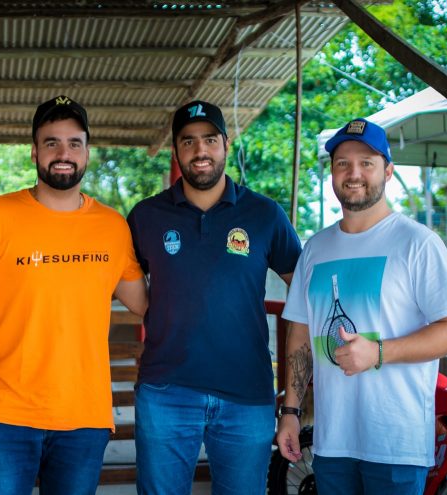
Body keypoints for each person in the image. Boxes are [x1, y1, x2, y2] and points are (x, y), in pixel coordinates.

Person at [0, 95, 147, 495]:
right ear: (34, 151)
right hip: (3, 417)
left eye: (74, 143)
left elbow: (145, 303)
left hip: (85, 420)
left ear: (87, 152)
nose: (63, 153)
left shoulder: (113, 227)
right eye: (51, 142)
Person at [276, 118, 447, 495]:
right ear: (331, 172)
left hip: (396, 444)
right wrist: (291, 413)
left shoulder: (417, 243)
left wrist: (378, 352)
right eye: (343, 163)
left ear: (389, 171)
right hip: (332, 442)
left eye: (367, 162)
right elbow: (300, 331)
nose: (354, 173)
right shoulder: (315, 248)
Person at [127, 100, 302, 495]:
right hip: (165, 392)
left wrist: (291, 404)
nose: (200, 150)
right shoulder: (146, 216)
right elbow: (121, 276)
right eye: (188, 141)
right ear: (176, 150)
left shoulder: (265, 214)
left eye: (209, 139)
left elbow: (306, 293)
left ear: (225, 143)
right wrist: (159, 313)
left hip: (247, 395)